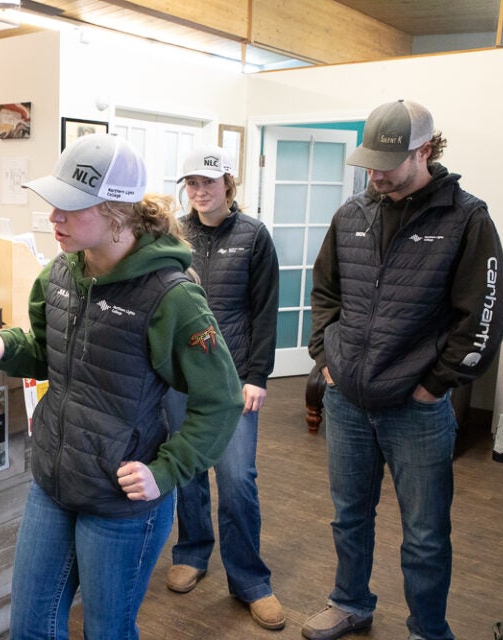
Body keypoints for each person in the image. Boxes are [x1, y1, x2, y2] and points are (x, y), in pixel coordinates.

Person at [0, 133, 244, 639]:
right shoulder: (59, 276)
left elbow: (220, 400)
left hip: (122, 500)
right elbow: (49, 354)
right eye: (54, 204)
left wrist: (168, 469)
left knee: (106, 632)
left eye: (71, 208)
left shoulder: (173, 297)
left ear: (118, 213)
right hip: (54, 480)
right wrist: (5, 344)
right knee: (30, 628)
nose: (54, 219)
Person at [304, 99, 503, 640]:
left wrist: (432, 386)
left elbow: (483, 318)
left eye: (386, 165)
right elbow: (325, 292)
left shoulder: (467, 218)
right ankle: (350, 602)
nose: (375, 175)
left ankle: (427, 629)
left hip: (416, 410)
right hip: (347, 401)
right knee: (349, 515)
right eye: (368, 163)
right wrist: (326, 360)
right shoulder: (352, 214)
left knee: (424, 534)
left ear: (424, 151)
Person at [165, 144, 283, 630]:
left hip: (233, 381)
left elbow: (265, 311)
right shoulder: (174, 233)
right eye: (191, 184)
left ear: (228, 184)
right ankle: (192, 552)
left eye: (207, 183)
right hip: (179, 377)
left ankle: (250, 581)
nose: (199, 192)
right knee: (187, 471)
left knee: (237, 481)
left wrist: (257, 376)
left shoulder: (253, 236)